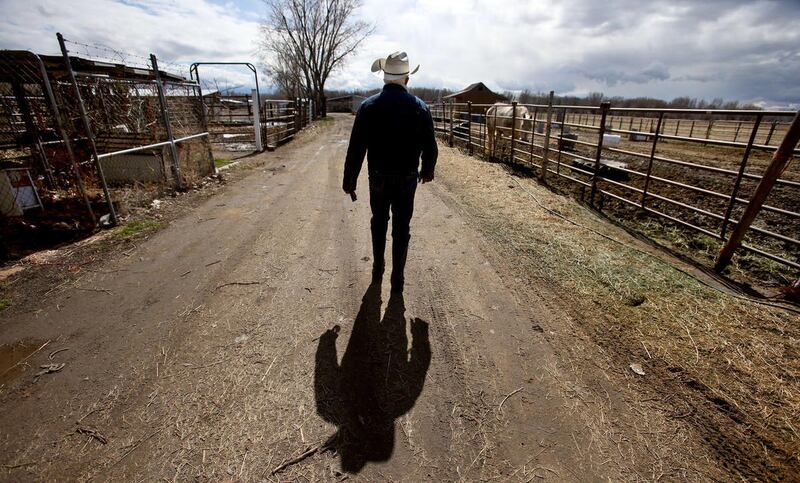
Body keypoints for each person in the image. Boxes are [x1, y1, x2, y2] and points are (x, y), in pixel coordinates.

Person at [343, 51, 438, 293]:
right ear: (407, 78)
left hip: (378, 176)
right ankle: (398, 277)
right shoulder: (420, 108)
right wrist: (427, 170)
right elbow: (431, 146)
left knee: (378, 221)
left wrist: (349, 180)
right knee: (402, 227)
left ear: (385, 77)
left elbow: (356, 148)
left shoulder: (368, 107)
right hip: (407, 177)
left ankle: (378, 268)